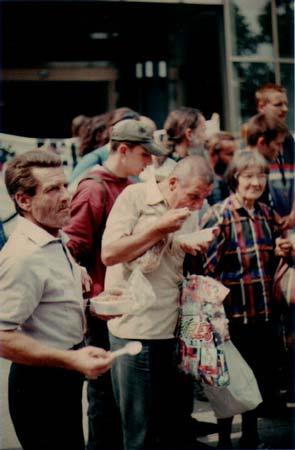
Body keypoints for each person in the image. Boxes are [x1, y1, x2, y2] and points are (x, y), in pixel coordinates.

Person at [0, 150, 112, 450]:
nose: (67, 196)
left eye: (65, 185)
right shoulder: (24, 256)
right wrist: (71, 358)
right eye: (52, 189)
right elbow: (2, 337)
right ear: (23, 201)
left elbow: (49, 301)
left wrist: (93, 304)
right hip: (39, 387)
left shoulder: (53, 233)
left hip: (64, 378)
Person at [101, 155, 214, 450]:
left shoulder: (188, 210)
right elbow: (110, 253)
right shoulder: (135, 196)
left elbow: (166, 257)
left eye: (204, 198)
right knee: (141, 433)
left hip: (176, 331)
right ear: (173, 182)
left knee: (174, 428)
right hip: (139, 331)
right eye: (194, 196)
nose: (198, 205)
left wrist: (186, 243)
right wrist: (160, 228)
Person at [64, 118, 165, 450]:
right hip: (103, 312)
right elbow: (73, 248)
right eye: (144, 154)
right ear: (123, 150)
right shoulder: (94, 188)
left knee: (125, 403)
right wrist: (89, 299)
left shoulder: (132, 182)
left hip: (131, 311)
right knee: (103, 399)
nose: (149, 161)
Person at [200, 150, 285, 449]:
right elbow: (205, 272)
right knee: (228, 383)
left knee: (257, 378)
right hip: (232, 318)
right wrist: (214, 319)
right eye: (249, 175)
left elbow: (272, 258)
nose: (256, 182)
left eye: (260, 175)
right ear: (235, 178)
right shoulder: (219, 214)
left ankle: (251, 437)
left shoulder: (265, 213)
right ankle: (225, 441)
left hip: (263, 314)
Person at [245, 112, 293, 226]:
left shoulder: (262, 165)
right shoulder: (244, 169)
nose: (280, 150)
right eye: (277, 144)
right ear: (261, 142)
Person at [69, 107, 140, 184]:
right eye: (129, 131)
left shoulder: (135, 158)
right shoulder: (94, 158)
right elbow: (72, 188)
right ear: (112, 131)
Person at [205, 131, 238, 205]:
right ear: (214, 155)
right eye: (230, 154)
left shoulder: (232, 176)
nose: (235, 158)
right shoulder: (206, 180)